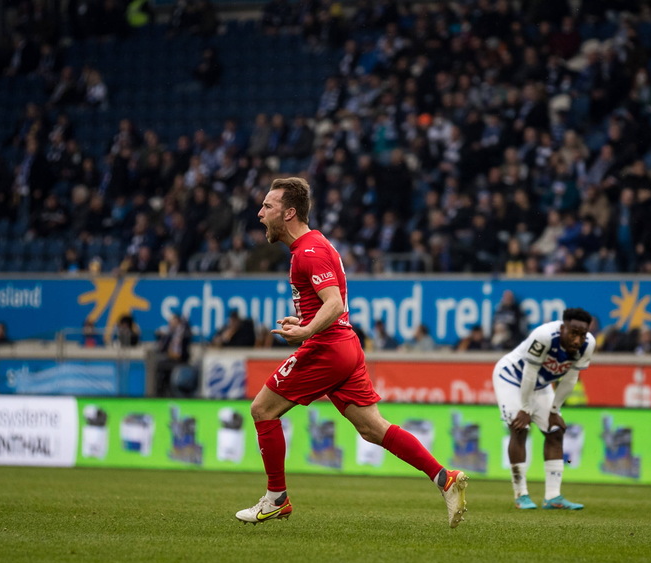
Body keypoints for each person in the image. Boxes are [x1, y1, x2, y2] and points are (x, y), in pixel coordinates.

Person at [235, 177, 468, 528]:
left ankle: (276, 498)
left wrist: (306, 330)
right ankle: (444, 478)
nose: (260, 213)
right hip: (345, 346)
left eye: (268, 206)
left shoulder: (308, 253)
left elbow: (335, 302)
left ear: (289, 213)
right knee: (373, 428)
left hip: (327, 347)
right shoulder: (313, 247)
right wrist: (304, 320)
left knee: (262, 410)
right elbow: (327, 304)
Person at [492, 307, 595, 511]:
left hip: (540, 384)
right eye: (573, 333)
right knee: (520, 428)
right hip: (511, 378)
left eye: (582, 334)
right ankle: (521, 495)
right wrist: (525, 409)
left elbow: (570, 378)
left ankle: (553, 497)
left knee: (556, 431)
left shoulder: (588, 344)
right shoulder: (544, 336)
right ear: (563, 328)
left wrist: (555, 410)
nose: (577, 340)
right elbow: (528, 373)